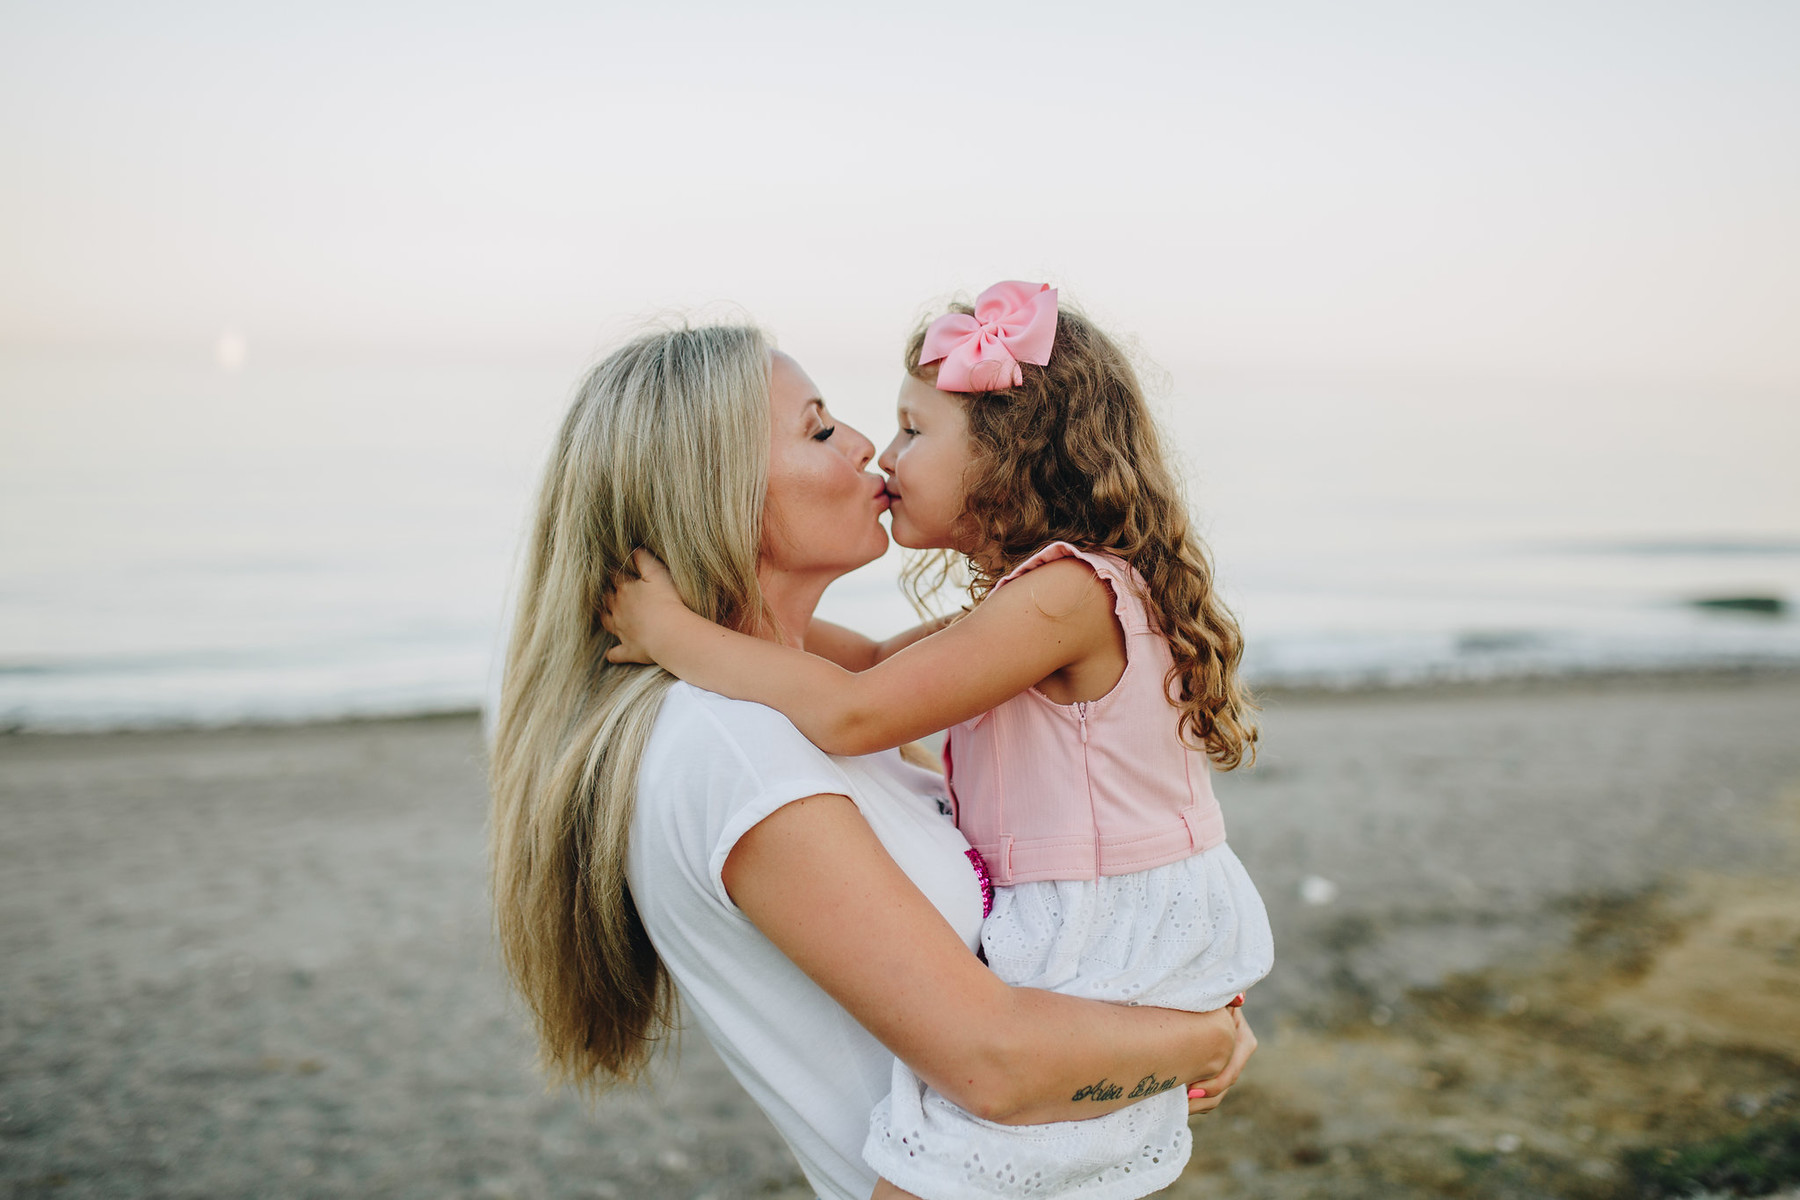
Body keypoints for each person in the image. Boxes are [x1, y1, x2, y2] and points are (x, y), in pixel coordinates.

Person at [489, 322, 1255, 1200]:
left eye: (907, 429)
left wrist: (689, 624)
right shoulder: (734, 750)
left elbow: (860, 682)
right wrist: (1202, 1040)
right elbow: (994, 1067)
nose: (868, 449)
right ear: (716, 492)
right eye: (819, 429)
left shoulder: (1006, 623)